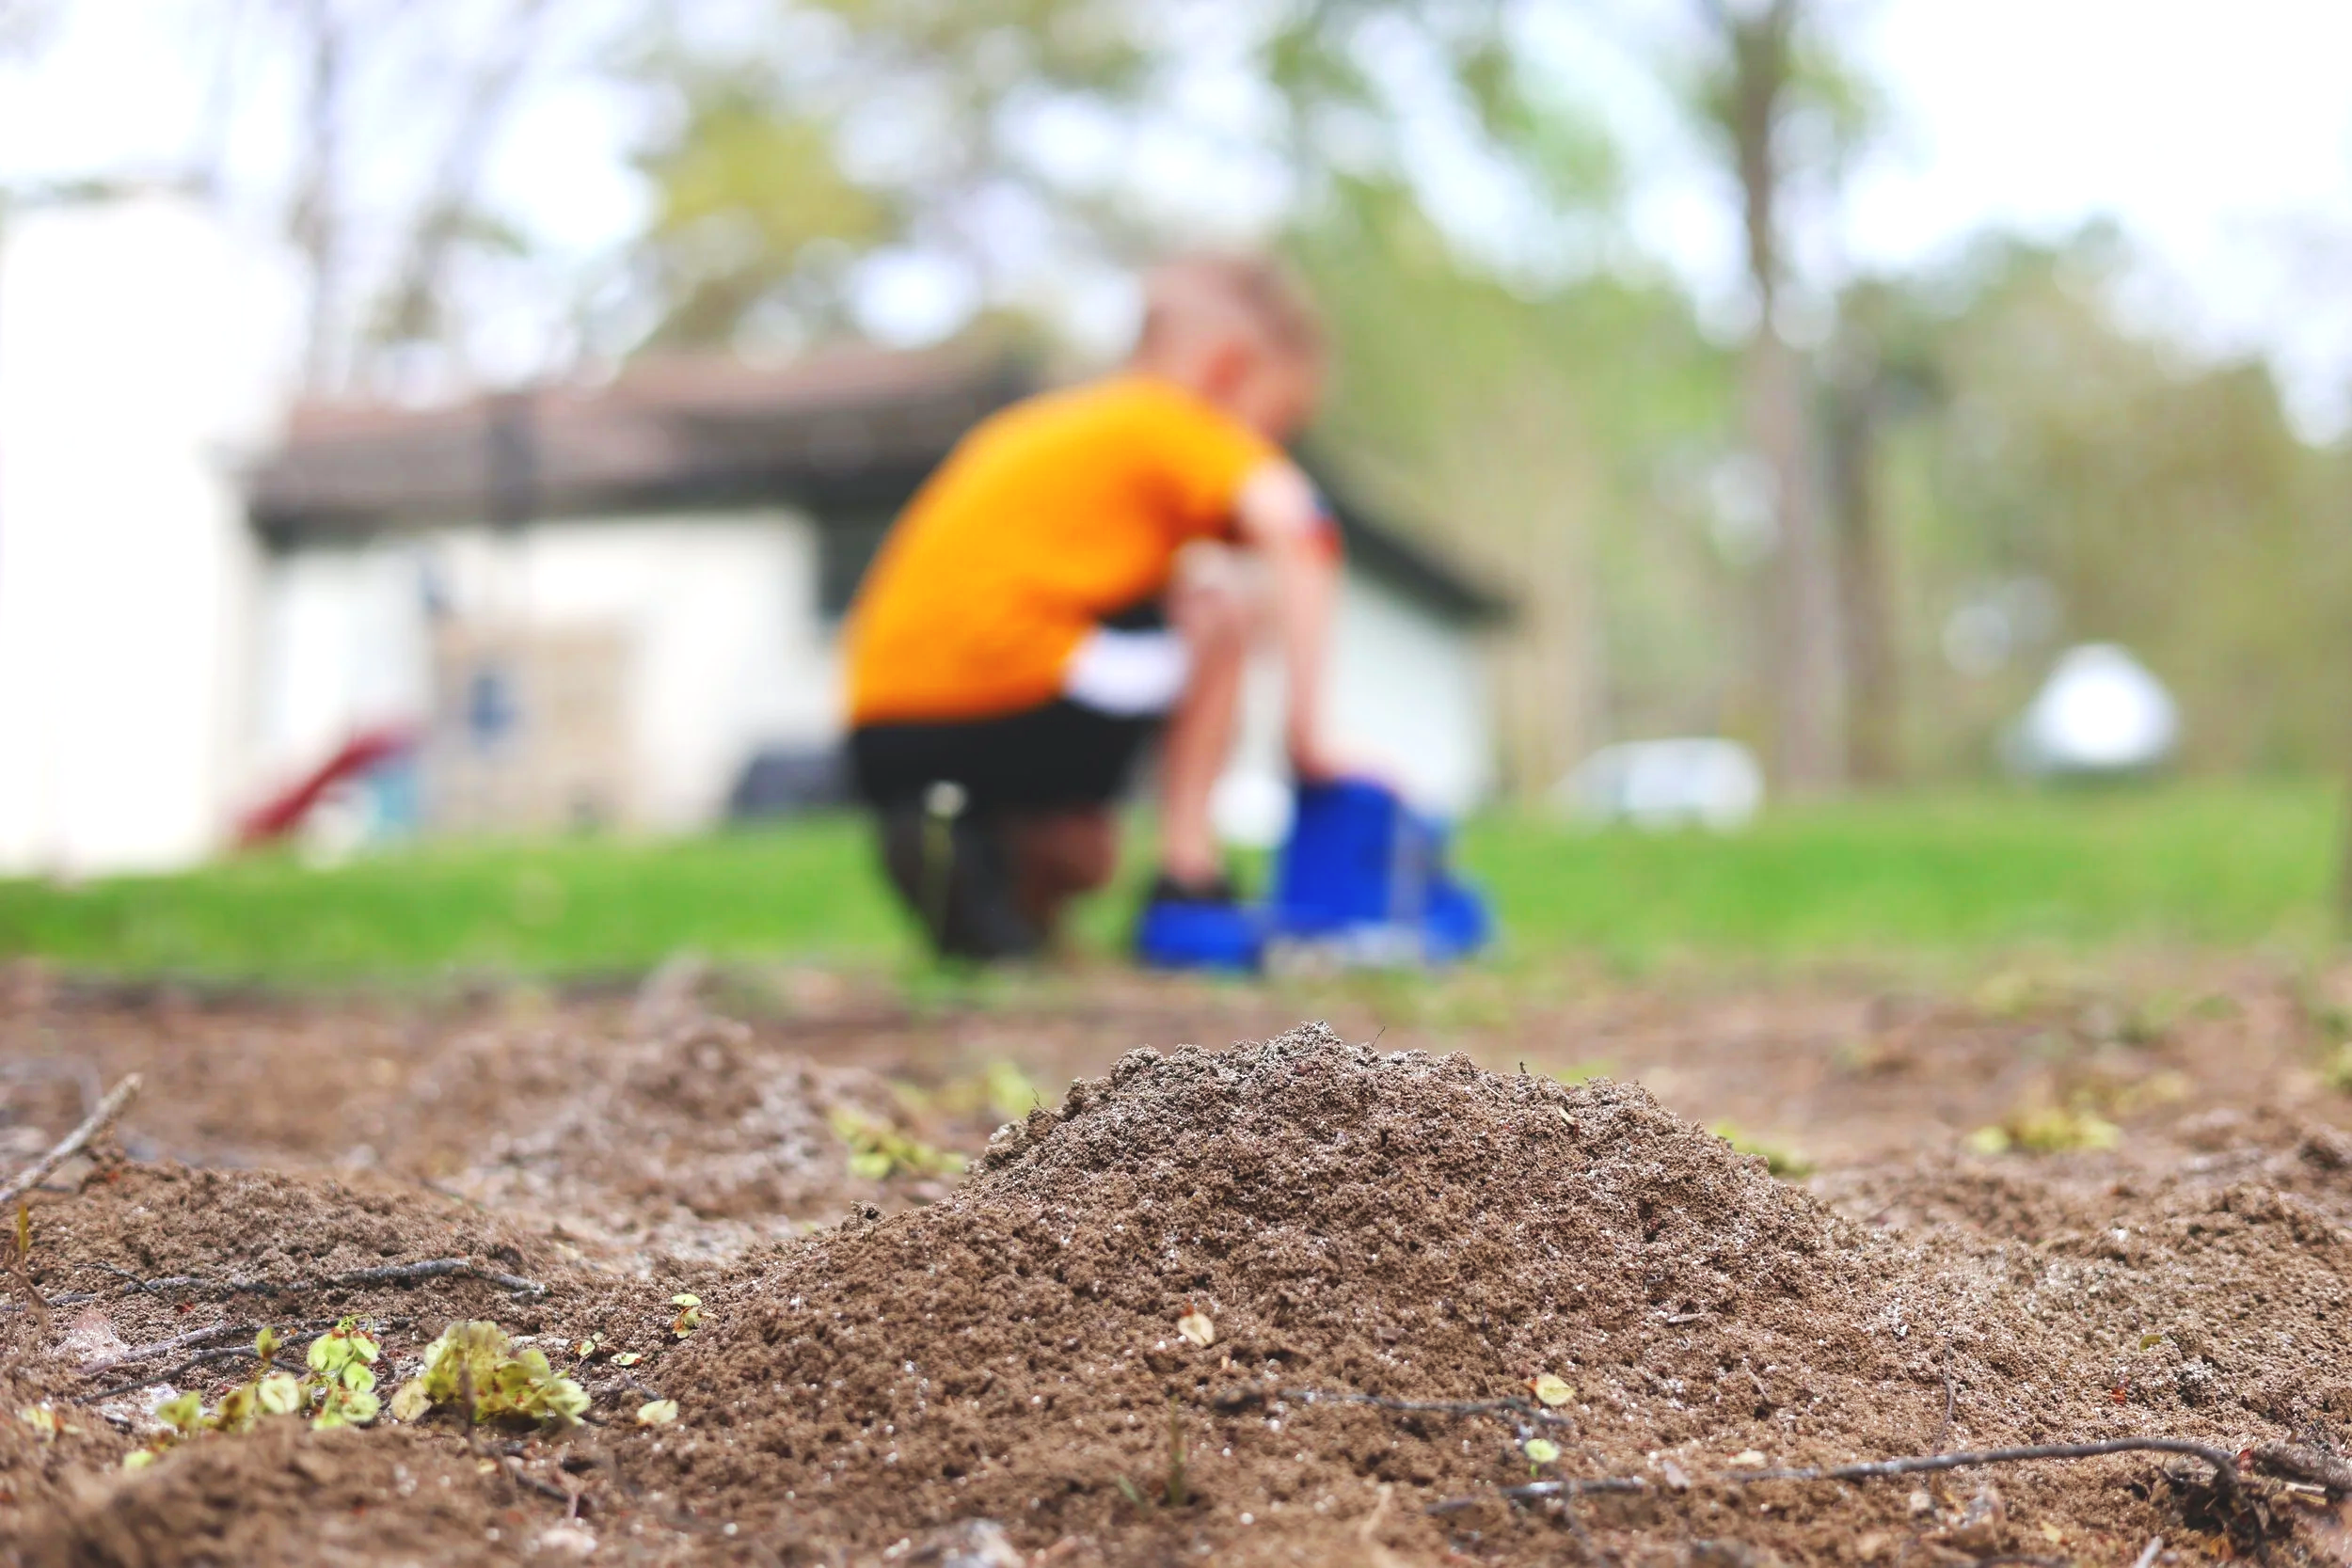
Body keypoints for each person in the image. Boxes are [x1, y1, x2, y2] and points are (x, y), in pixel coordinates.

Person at [841, 254, 1343, 958]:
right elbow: (1300, 530)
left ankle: (990, 883)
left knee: (1089, 858)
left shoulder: (1043, 430)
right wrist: (1310, 742)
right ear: (1227, 371)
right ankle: (1187, 875)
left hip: (885, 734)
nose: (1265, 449)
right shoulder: (1169, 417)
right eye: (1274, 427)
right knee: (1219, 609)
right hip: (1011, 683)